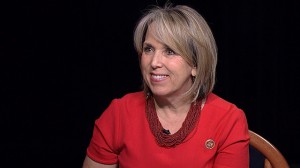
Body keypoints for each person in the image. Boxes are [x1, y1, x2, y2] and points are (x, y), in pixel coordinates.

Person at [82, 3, 249, 168]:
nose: (154, 62)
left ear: (196, 65)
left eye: (169, 51)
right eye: (148, 49)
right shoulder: (119, 113)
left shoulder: (228, 120)